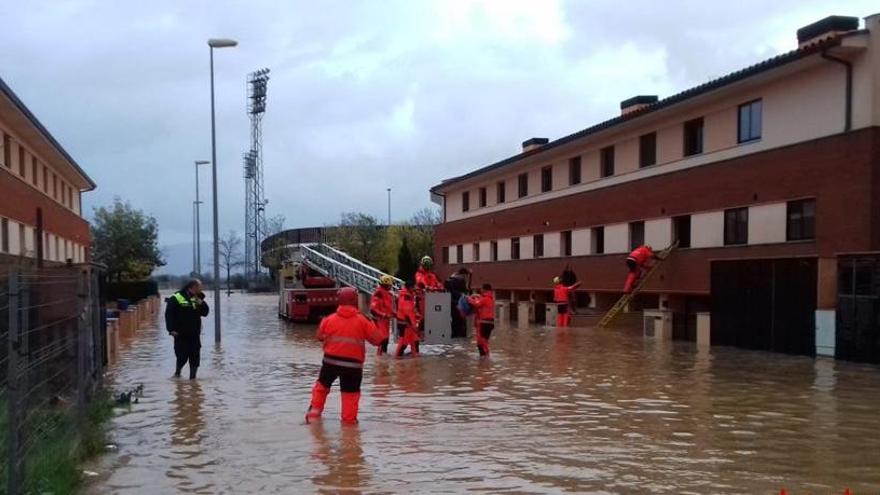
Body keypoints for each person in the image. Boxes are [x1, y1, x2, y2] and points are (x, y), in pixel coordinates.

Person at [306, 287, 384, 424]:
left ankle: (313, 416)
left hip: (330, 362)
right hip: (353, 366)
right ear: (355, 301)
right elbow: (378, 340)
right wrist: (372, 322)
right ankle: (349, 427)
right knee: (350, 395)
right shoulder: (363, 321)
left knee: (322, 388)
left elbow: (319, 337)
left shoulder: (329, 319)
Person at [165, 279, 209, 379]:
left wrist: (201, 303)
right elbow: (169, 315)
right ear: (193, 287)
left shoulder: (197, 298)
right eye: (200, 287)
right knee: (182, 357)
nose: (201, 289)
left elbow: (205, 313)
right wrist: (171, 329)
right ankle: (177, 373)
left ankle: (193, 379)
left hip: (194, 334)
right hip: (180, 334)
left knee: (195, 358)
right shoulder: (176, 298)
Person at [414, 255, 443, 334]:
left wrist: (441, 287)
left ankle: (434, 332)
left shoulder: (432, 275)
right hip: (422, 297)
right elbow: (420, 281)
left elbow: (437, 283)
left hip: (432, 298)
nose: (427, 267)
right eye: (426, 265)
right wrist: (426, 286)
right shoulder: (419, 274)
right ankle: (418, 332)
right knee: (423, 317)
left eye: (429, 265)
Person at [467, 283, 496, 357]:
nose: (480, 290)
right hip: (489, 323)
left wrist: (468, 299)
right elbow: (479, 303)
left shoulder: (485, 299)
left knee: (482, 342)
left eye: (482, 289)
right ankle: (484, 360)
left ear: (485, 289)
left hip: (484, 323)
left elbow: (477, 304)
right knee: (483, 342)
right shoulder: (490, 298)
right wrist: (476, 297)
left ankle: (485, 359)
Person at [370, 275, 395, 355]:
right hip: (379, 320)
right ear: (385, 285)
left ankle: (383, 357)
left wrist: (395, 314)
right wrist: (383, 314)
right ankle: (380, 358)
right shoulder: (378, 293)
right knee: (382, 340)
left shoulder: (387, 294)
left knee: (386, 340)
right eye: (390, 285)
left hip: (385, 321)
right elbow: (373, 309)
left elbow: (388, 307)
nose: (391, 286)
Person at [394, 281, 420, 357]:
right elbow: (408, 312)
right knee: (403, 343)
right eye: (413, 287)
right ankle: (397, 358)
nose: (415, 289)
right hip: (405, 323)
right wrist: (414, 326)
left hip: (408, 323)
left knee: (415, 341)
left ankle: (415, 357)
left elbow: (411, 310)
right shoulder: (406, 297)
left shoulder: (408, 295)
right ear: (410, 287)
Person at [446, 267, 471, 338]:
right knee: (458, 322)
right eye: (465, 276)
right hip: (455, 304)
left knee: (458, 322)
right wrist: (462, 294)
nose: (466, 278)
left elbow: (466, 291)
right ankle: (458, 336)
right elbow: (452, 292)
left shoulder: (455, 280)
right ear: (462, 274)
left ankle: (457, 335)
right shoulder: (453, 281)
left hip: (457, 304)